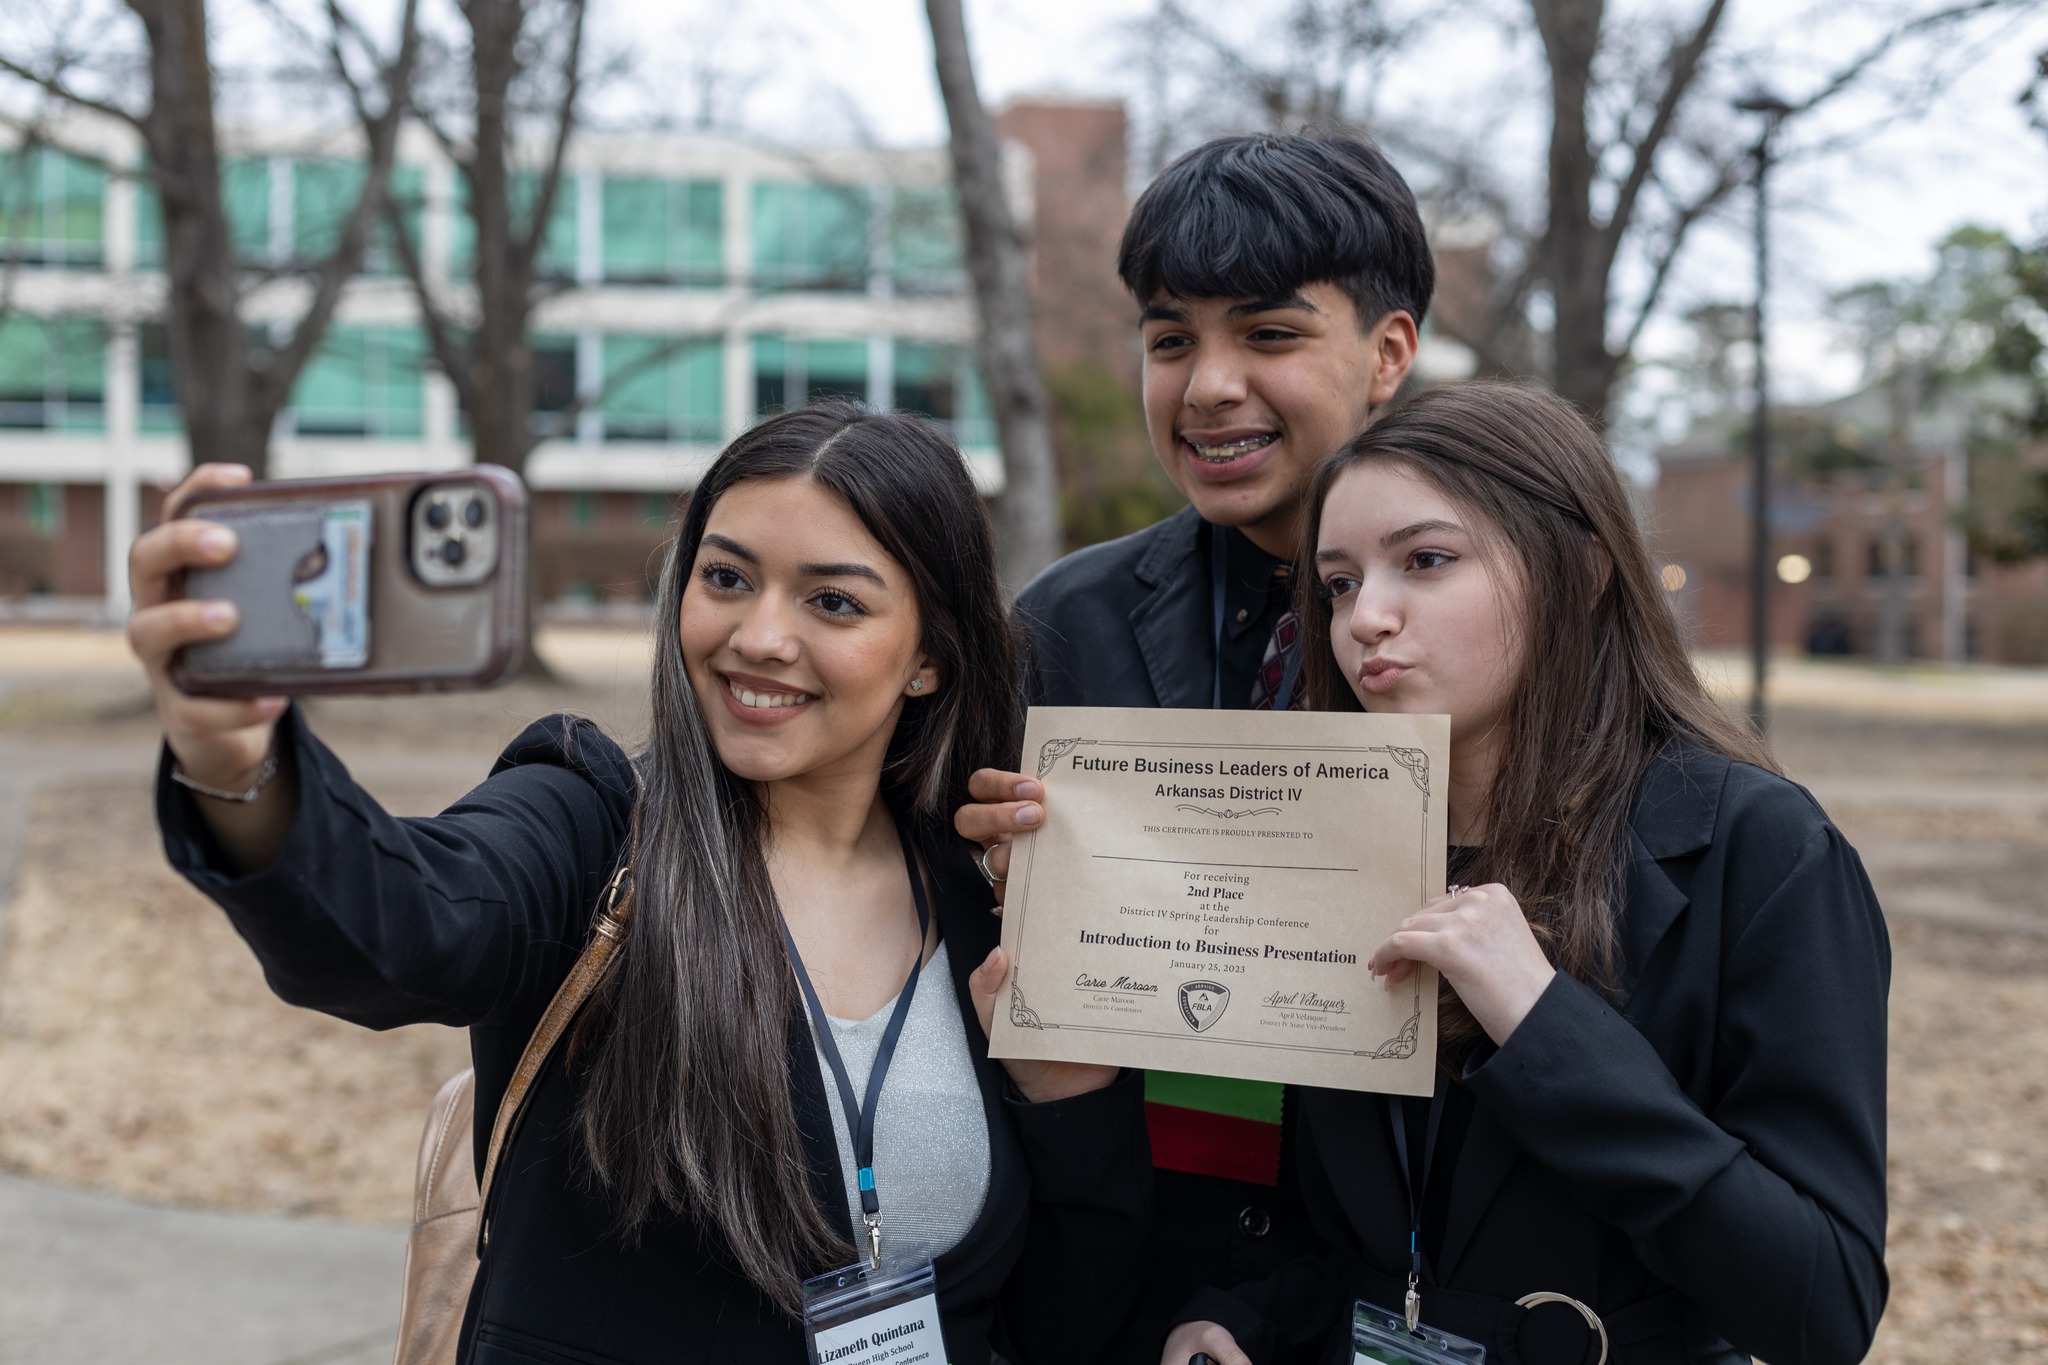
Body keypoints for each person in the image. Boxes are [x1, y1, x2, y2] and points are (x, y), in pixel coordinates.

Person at [129, 403, 1151, 1365]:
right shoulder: (593, 826)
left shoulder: (989, 904)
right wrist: (238, 763)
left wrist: (1071, 1100)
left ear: (928, 656)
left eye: (832, 601)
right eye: (727, 579)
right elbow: (399, 926)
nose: (757, 636)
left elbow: (1067, 1321)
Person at [1162, 382, 1890, 1365]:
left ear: (1579, 568)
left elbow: (1819, 1306)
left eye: (1423, 561)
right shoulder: (1320, 842)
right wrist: (1247, 1320)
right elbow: (1332, 1226)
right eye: (1336, 583)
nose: (1365, 617)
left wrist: (1545, 1028)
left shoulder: (1757, 849)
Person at [955, 130, 1436, 1359]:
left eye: (1267, 335)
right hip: (1108, 1256)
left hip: (1390, 1275)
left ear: (1386, 353)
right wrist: (981, 866)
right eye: (1170, 341)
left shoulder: (1489, 631)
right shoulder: (1063, 623)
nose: (1208, 384)